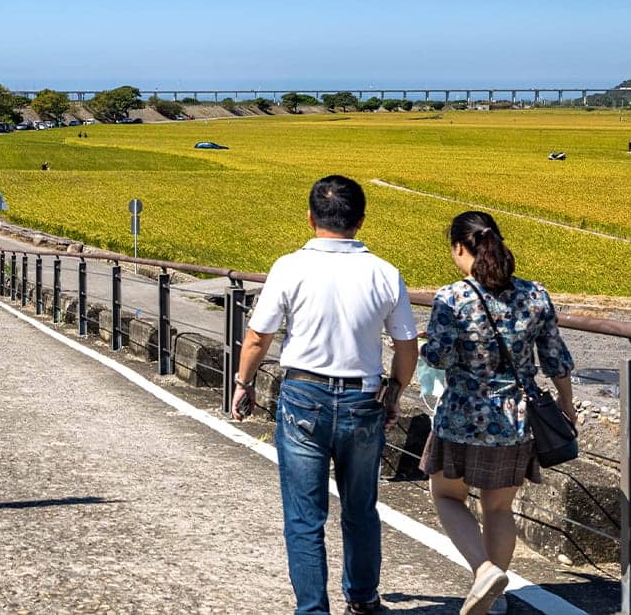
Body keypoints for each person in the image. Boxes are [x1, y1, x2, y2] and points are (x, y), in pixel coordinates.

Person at [233, 175, 418, 615]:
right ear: (360, 220)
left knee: (304, 516)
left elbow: (259, 337)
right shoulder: (384, 272)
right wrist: (394, 392)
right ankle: (363, 597)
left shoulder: (289, 267)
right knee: (360, 510)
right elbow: (407, 346)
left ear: (311, 217)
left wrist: (244, 383)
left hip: (303, 395)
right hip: (364, 399)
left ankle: (313, 609)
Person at [418, 211, 574, 615]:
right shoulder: (534, 294)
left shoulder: (453, 298)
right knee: (499, 508)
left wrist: (429, 341)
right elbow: (556, 359)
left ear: (458, 248)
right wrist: (567, 404)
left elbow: (438, 355)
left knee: (447, 496)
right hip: (515, 418)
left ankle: (484, 571)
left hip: (461, 417)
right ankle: (495, 598)